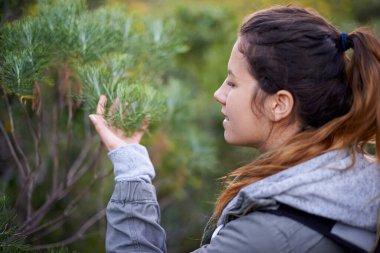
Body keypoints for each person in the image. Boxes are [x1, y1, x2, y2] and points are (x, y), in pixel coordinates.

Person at [89, 6, 380, 253]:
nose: (219, 93)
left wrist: (131, 172)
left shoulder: (265, 236)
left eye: (232, 82)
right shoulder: (354, 181)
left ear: (279, 104)